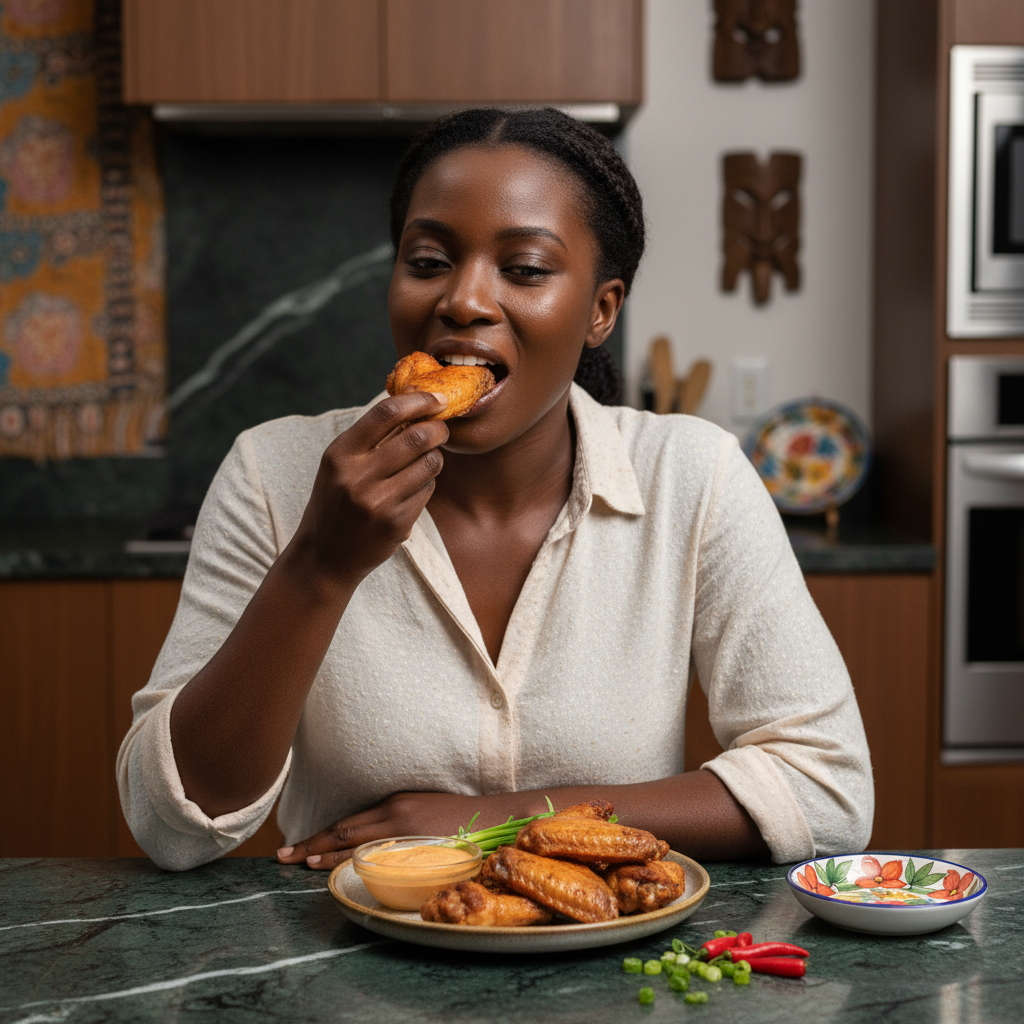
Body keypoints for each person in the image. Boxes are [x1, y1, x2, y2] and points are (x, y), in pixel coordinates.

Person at [117, 107, 872, 873]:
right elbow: (170, 826)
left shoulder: (692, 476)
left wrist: (493, 823)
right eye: (427, 261)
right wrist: (319, 566)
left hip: (608, 969)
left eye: (525, 269)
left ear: (601, 311)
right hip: (343, 964)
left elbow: (827, 787)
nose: (464, 300)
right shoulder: (271, 473)